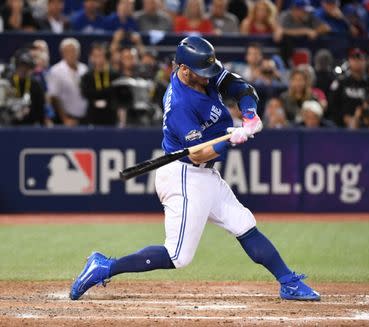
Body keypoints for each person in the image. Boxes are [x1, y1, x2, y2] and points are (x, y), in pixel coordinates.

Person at [69, 36, 320, 302]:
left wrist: (249, 113)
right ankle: (104, 266)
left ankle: (288, 282)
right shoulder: (179, 104)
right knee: (178, 256)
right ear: (184, 70)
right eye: (202, 73)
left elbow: (239, 86)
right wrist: (231, 140)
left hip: (204, 175)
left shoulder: (202, 70)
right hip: (184, 175)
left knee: (244, 225)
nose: (208, 77)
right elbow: (199, 153)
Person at [46, 38, 88, 126]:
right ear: (62, 53)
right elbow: (54, 97)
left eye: (74, 51)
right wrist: (65, 119)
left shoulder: (84, 69)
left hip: (84, 118)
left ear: (79, 52)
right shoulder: (55, 70)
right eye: (68, 51)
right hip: (66, 119)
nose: (71, 54)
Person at [81, 43, 120, 125]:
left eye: (101, 55)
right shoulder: (87, 76)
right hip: (93, 116)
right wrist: (106, 91)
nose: (98, 59)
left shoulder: (114, 75)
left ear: (106, 57)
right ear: (91, 57)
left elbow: (116, 93)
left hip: (110, 115)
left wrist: (97, 93)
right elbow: (86, 93)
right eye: (95, 55)